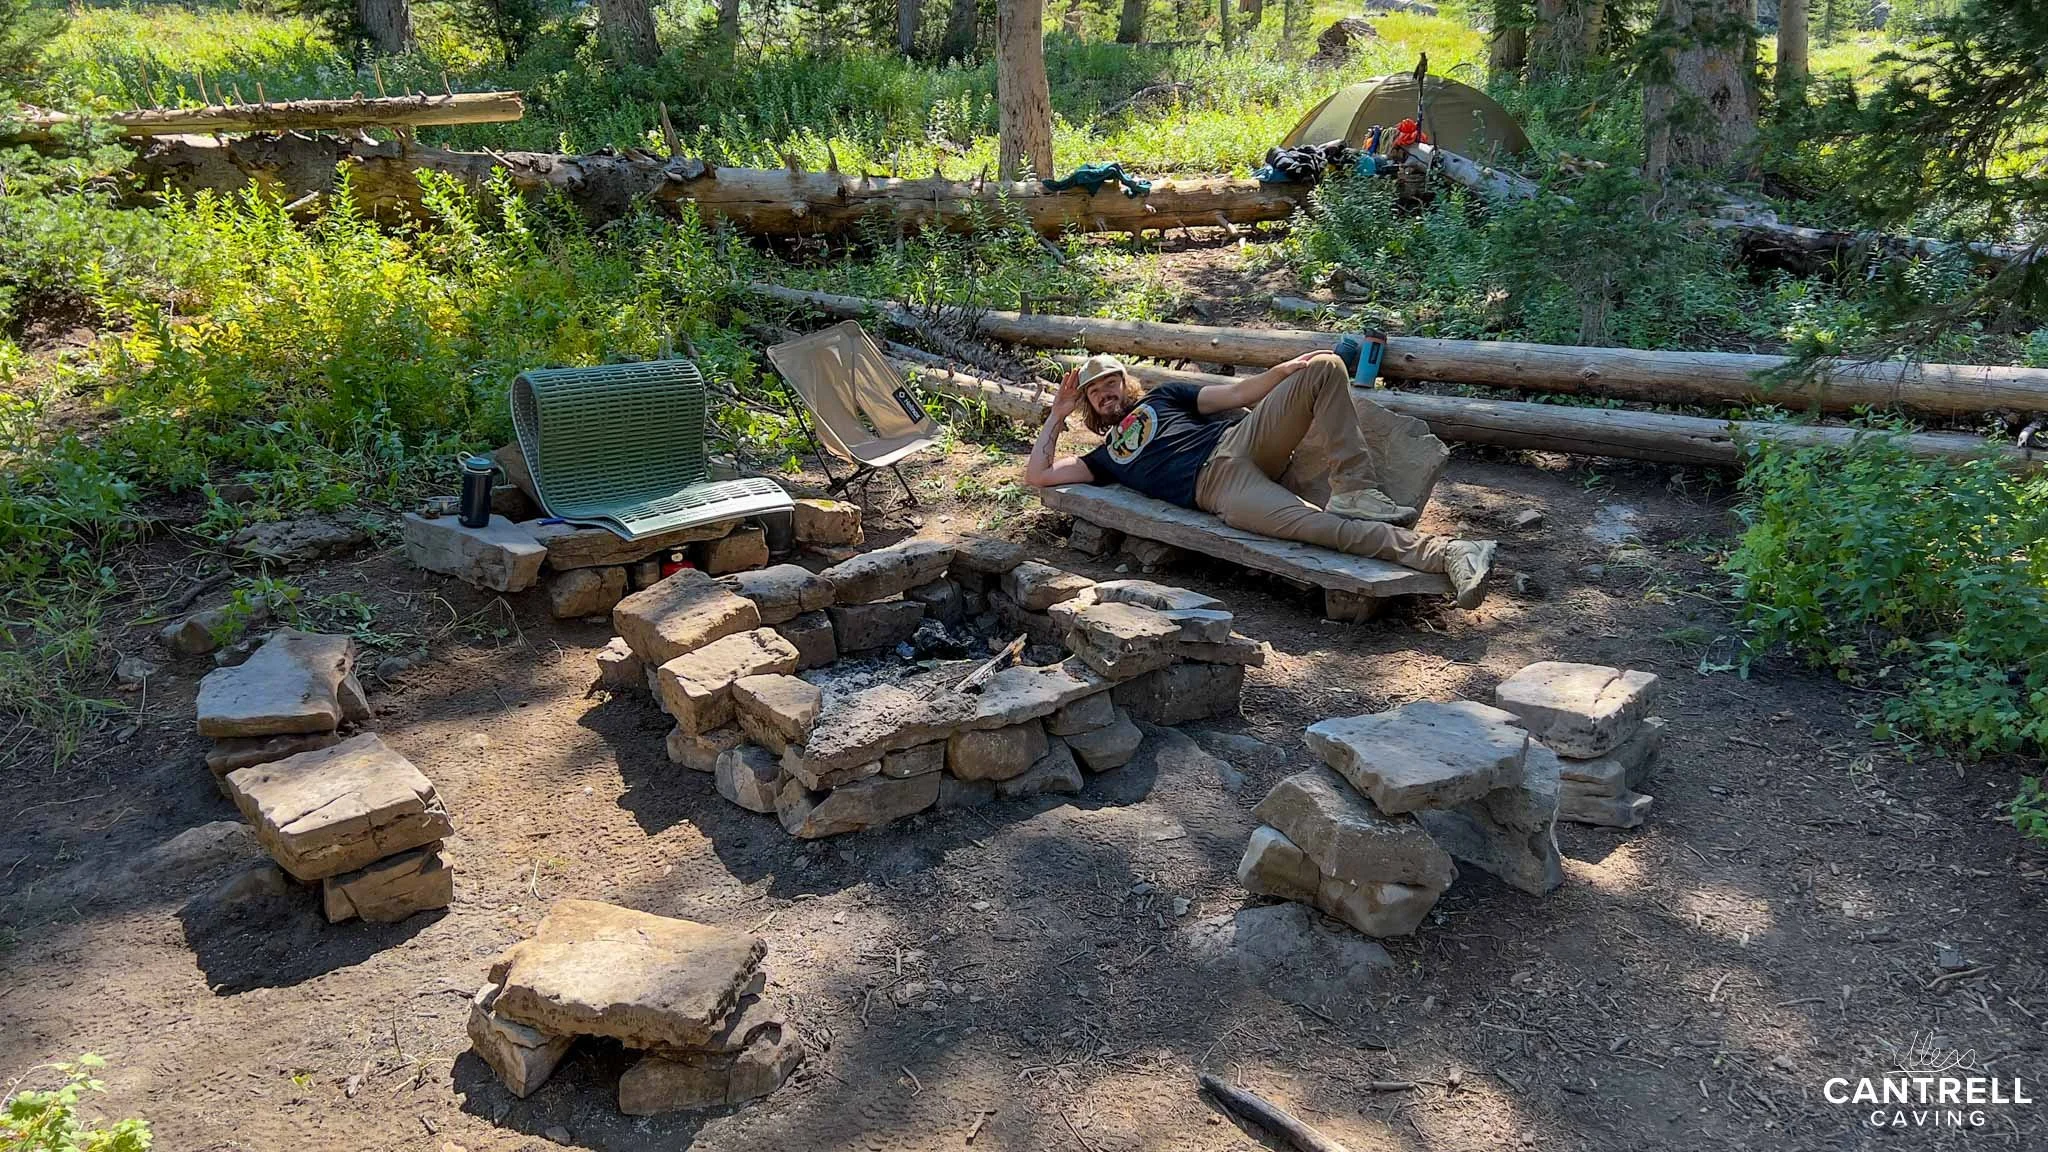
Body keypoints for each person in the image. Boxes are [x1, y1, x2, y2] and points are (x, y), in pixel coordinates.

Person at [1021, 350, 1497, 608]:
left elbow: (1234, 395)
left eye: (1111, 383)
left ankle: (1356, 489)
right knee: (1317, 529)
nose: (1106, 393)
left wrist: (1279, 374)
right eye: (1095, 392)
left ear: (1126, 385)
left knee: (1325, 365)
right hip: (1219, 491)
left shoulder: (1164, 398)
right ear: (1088, 405)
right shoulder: (1103, 458)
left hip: (1242, 440)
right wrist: (1056, 414)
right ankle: (1449, 552)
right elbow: (1037, 474)